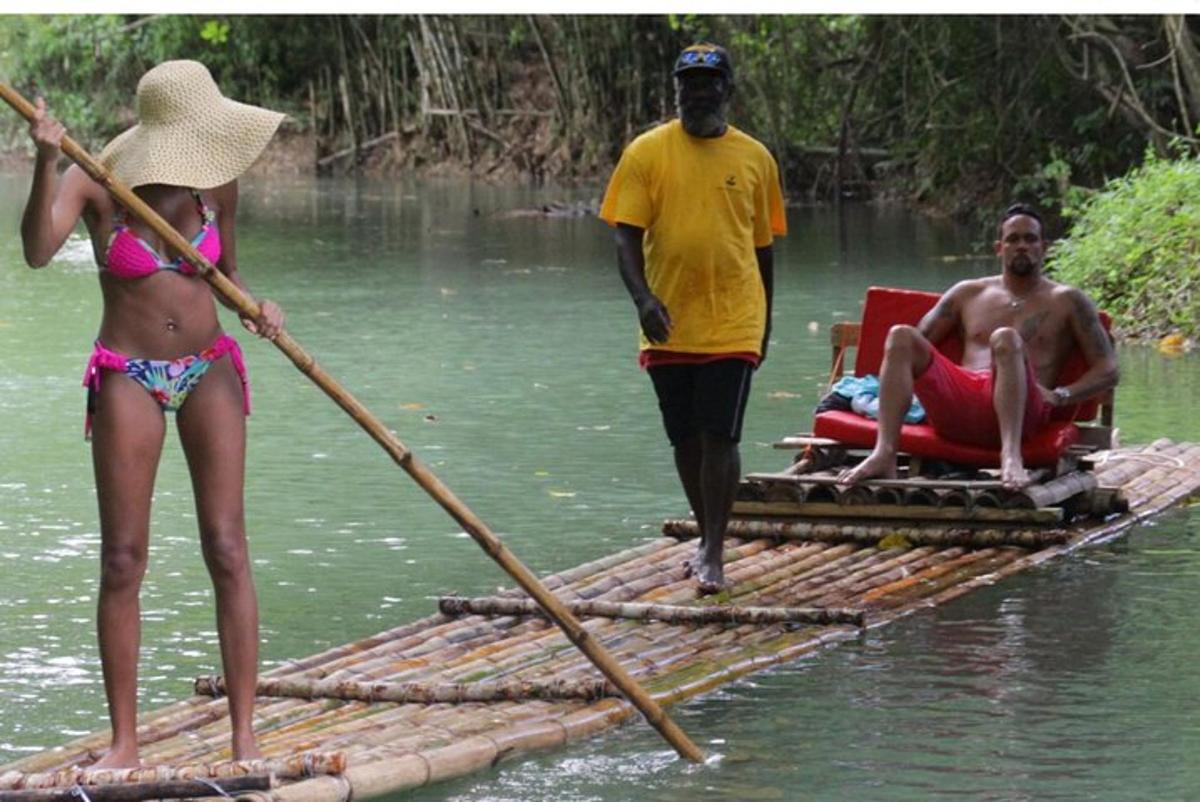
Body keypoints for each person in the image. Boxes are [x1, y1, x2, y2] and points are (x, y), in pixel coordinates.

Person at [21, 60, 285, 766]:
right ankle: (125, 743)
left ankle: (244, 734)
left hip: (210, 369)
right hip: (128, 375)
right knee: (122, 561)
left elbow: (227, 274)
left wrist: (255, 308)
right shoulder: (97, 179)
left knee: (227, 548)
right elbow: (38, 251)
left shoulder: (217, 183)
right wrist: (46, 159)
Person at [599, 43, 787, 593]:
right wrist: (642, 299)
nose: (697, 93)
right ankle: (708, 536)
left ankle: (713, 552)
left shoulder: (756, 159)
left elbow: (764, 248)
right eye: (688, 84)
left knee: (720, 436)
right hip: (669, 318)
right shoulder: (645, 153)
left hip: (734, 318)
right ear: (676, 90)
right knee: (684, 437)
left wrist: (766, 321)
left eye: (708, 83)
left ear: (727, 90)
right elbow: (625, 235)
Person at [837, 204, 1119, 490]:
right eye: (1013, 239)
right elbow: (917, 344)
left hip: (1023, 411)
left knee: (1006, 338)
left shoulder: (1067, 300)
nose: (1021, 246)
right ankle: (884, 453)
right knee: (901, 335)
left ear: (1043, 247)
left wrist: (1061, 396)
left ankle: (1010, 457)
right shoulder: (968, 293)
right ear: (999, 247)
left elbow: (1108, 369)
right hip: (961, 406)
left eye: (1030, 239)